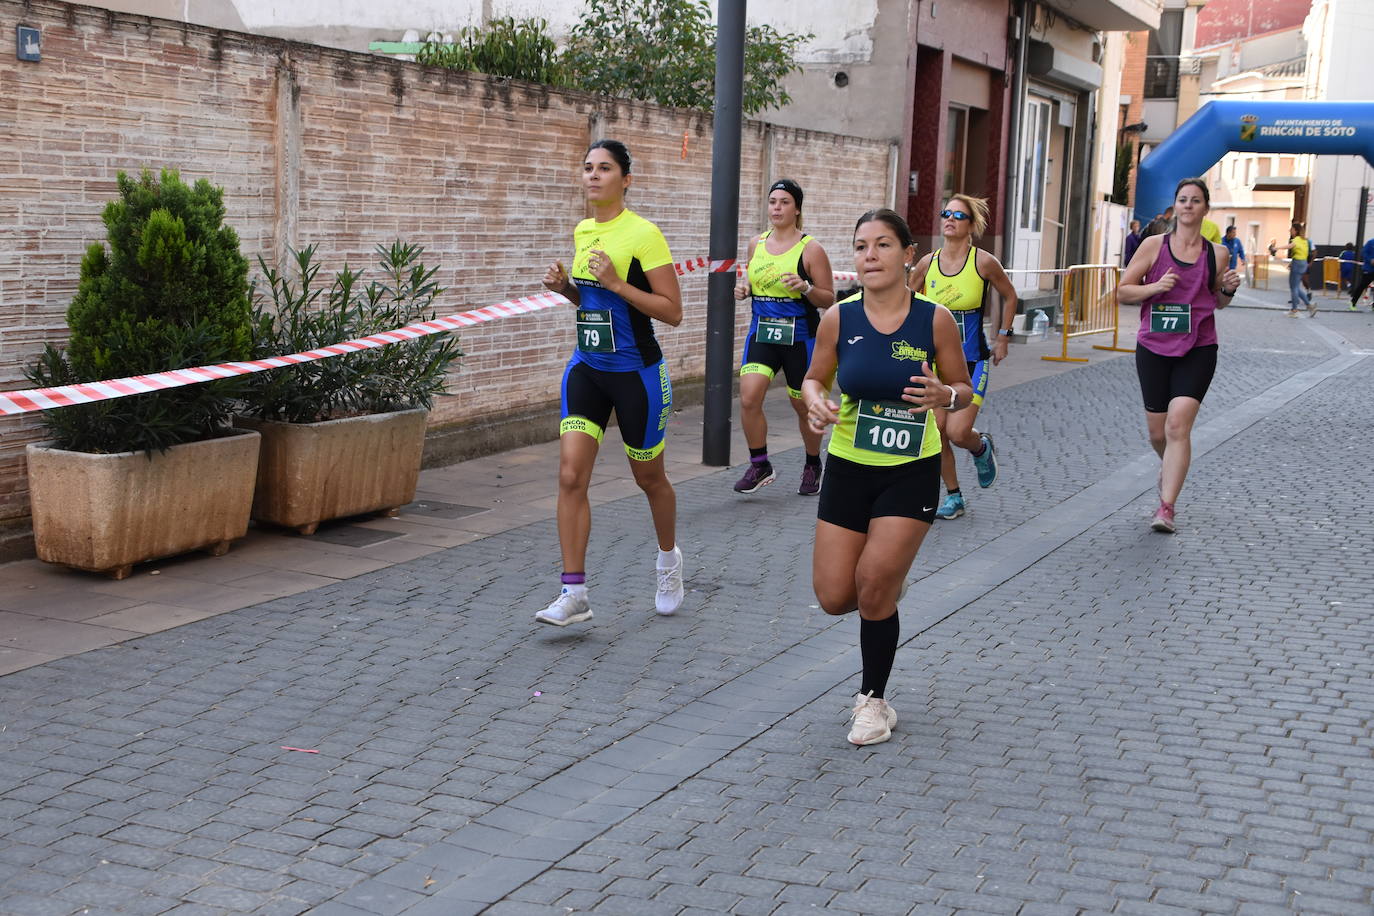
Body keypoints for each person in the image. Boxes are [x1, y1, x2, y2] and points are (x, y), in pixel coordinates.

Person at [801, 208, 973, 746]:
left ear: (905, 255)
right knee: (834, 595)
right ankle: (883, 587)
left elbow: (963, 388)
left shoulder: (934, 318)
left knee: (873, 588)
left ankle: (872, 702)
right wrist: (814, 403)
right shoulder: (839, 318)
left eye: (881, 245)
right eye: (860, 246)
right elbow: (813, 378)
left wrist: (946, 396)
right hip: (850, 465)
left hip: (910, 469)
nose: (869, 255)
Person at [535, 140, 686, 626]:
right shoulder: (583, 230)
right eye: (587, 168)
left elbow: (673, 312)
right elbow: (592, 303)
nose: (593, 176)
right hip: (587, 369)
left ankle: (668, 561)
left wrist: (620, 283)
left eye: (604, 168)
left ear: (626, 179)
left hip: (636, 375)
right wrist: (567, 290)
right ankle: (573, 592)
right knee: (570, 476)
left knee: (649, 479)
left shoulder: (644, 234)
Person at [1118, 177, 1242, 534]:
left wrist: (1229, 290)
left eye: (1195, 200)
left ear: (1205, 208)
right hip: (1154, 347)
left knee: (1177, 426)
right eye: (1183, 199)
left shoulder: (1216, 253)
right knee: (1158, 433)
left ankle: (1166, 506)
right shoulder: (1154, 246)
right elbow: (1123, 291)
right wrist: (1155, 287)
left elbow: (1216, 301)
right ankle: (1171, 465)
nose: (1188, 205)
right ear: (1176, 207)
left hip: (1199, 347)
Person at [909, 195, 1017, 519]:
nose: (950, 219)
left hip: (972, 361)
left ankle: (980, 447)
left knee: (958, 432)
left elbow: (1010, 296)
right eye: (946, 213)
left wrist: (1003, 338)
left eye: (959, 215)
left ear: (971, 225)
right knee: (937, 430)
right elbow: (906, 301)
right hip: (937, 365)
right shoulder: (927, 264)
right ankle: (954, 496)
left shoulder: (982, 262)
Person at [732, 179, 835, 495]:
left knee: (802, 406)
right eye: (772, 201)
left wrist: (805, 287)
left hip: (799, 338)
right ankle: (760, 464)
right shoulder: (756, 244)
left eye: (784, 202)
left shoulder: (811, 249)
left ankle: (812, 462)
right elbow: (753, 279)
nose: (776, 207)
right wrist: (745, 289)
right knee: (749, 398)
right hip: (762, 332)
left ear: (797, 208)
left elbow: (828, 298)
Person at [1269, 222, 1314, 317]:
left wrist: (1277, 248)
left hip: (1297, 263)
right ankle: (1309, 306)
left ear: (1296, 231)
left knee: (1293, 287)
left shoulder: (1296, 240)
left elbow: (1290, 246)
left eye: (1292, 229)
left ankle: (1294, 310)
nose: (1290, 230)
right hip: (1303, 263)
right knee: (1296, 287)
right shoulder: (1305, 240)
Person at [1350, 237, 1374, 309]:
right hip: (1369, 269)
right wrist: (1370, 260)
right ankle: (1353, 302)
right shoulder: (1371, 242)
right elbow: (1364, 252)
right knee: (1362, 285)